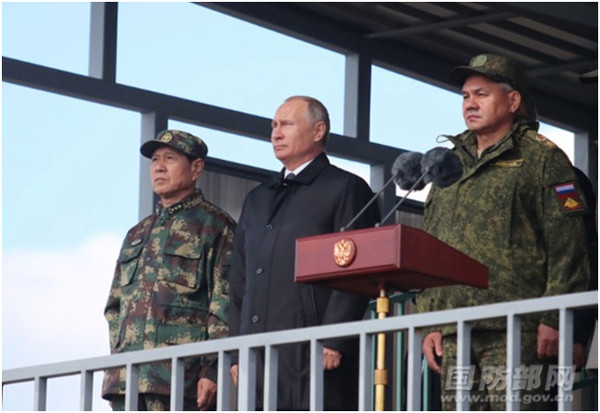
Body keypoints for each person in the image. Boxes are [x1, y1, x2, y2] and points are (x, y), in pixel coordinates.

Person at [415, 54, 592, 410]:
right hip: (456, 332)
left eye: (482, 94)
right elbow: (431, 246)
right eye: (466, 96)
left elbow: (569, 244)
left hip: (521, 330)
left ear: (513, 101)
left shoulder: (543, 159)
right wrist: (428, 320)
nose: (471, 104)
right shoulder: (448, 164)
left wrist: (557, 318)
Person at [229, 96, 380, 410]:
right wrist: (235, 352)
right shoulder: (257, 199)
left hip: (314, 351)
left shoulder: (345, 188)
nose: (276, 133)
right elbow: (239, 282)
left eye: (286, 124)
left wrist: (335, 338)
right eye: (273, 125)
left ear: (318, 131)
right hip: (257, 353)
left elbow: (356, 268)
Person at [101, 130, 236, 410]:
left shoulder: (216, 226)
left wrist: (210, 371)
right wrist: (118, 358)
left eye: (170, 159)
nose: (159, 167)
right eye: (155, 160)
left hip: (180, 381)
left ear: (196, 168)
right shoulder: (137, 232)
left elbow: (224, 304)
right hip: (126, 380)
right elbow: (114, 307)